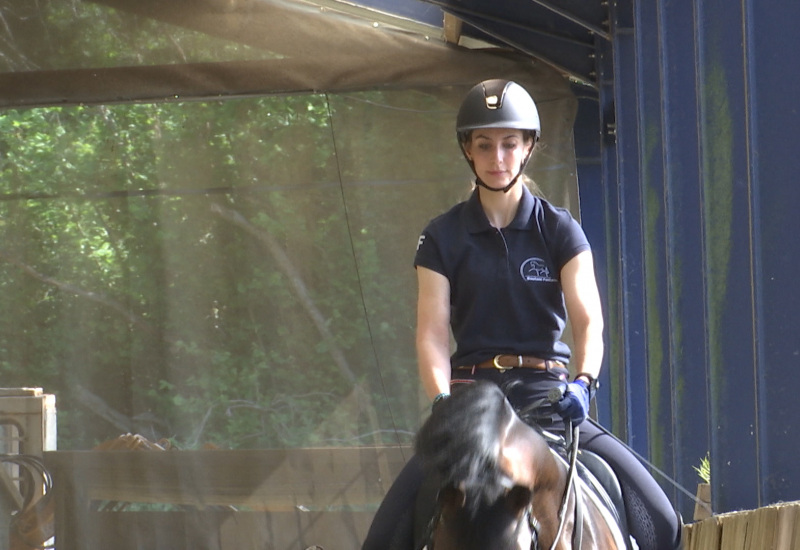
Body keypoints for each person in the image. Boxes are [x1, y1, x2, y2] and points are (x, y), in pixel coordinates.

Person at [362, 79, 682, 550]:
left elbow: (587, 320)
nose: (498, 157)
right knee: (380, 539)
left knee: (662, 522)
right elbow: (430, 333)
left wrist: (584, 382)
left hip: (551, 397)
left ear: (528, 146)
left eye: (510, 144)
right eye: (485, 144)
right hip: (473, 405)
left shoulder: (560, 230)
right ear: (467, 151)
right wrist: (441, 402)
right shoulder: (441, 237)